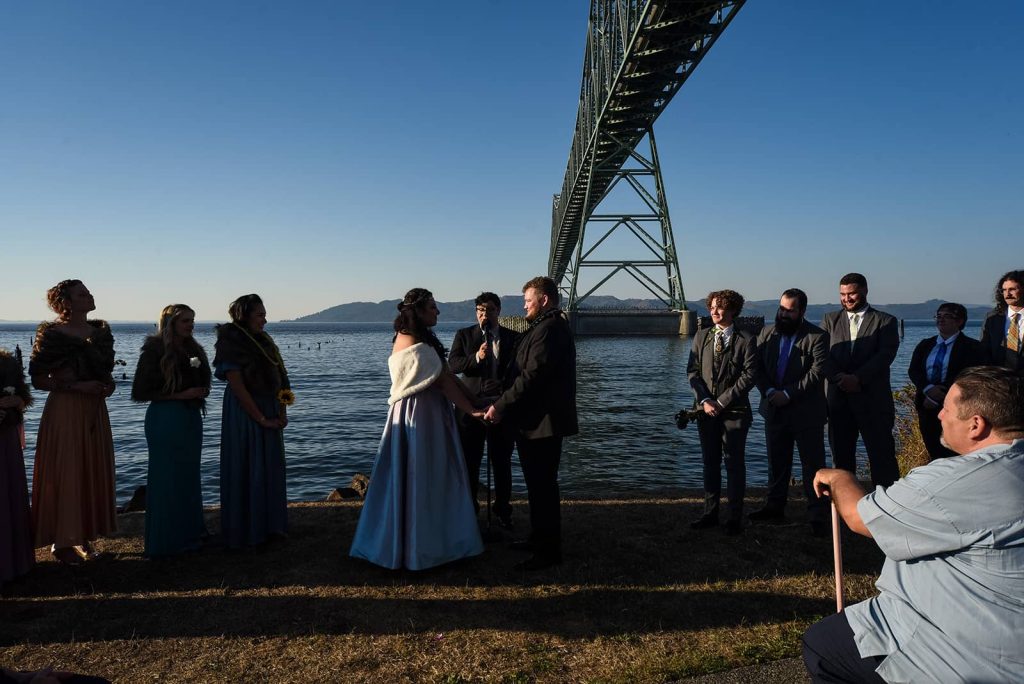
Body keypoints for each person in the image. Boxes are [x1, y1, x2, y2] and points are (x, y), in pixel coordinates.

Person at [803, 366, 1024, 683]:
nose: (939, 416)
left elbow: (859, 517)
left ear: (976, 425)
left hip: (974, 651)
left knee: (823, 646)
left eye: (947, 408)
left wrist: (840, 478)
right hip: (1004, 621)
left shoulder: (953, 482)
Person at [350, 288, 484, 570]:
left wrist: (476, 401)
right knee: (424, 474)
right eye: (433, 307)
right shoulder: (414, 343)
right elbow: (443, 382)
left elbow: (446, 375)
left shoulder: (418, 340)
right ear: (419, 311)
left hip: (425, 412)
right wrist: (472, 411)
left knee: (425, 475)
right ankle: (422, 547)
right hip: (420, 414)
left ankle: (431, 542)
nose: (438, 311)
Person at [484, 276, 577, 570]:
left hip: (543, 423)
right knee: (537, 486)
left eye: (527, 300)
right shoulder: (544, 327)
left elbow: (532, 377)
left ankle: (548, 553)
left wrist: (499, 406)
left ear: (544, 300)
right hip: (532, 422)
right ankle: (539, 538)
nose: (524, 306)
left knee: (543, 487)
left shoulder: (550, 330)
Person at [29, 280, 116, 566]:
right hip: (65, 411)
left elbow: (106, 374)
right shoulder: (52, 335)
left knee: (90, 468)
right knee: (67, 470)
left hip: (95, 409)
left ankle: (85, 537)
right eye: (82, 293)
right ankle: (61, 542)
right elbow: (39, 380)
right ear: (65, 302)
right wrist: (77, 387)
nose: (89, 295)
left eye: (89, 291)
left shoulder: (101, 333)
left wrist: (107, 386)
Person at [131, 304, 212, 557]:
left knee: (188, 475)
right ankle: (166, 540)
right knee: (167, 477)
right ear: (169, 322)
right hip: (165, 419)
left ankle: (190, 532)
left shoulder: (193, 348)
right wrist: (180, 394)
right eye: (185, 321)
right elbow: (140, 391)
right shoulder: (154, 349)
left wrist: (200, 390)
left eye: (192, 320)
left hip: (190, 418)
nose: (190, 325)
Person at [749, 289, 830, 536]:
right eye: (781, 309)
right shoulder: (766, 333)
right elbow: (757, 368)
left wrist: (788, 394)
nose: (783, 314)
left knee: (812, 466)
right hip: (774, 410)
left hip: (806, 413)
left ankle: (817, 514)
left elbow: (817, 373)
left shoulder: (817, 336)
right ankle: (774, 507)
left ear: (802, 311)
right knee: (777, 463)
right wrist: (770, 391)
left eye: (790, 310)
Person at [213, 294, 291, 548]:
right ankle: (248, 528)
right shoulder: (232, 342)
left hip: (269, 407)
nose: (265, 320)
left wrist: (282, 409)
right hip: (246, 412)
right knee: (248, 465)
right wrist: (260, 418)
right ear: (244, 316)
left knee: (270, 466)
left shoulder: (263, 340)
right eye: (260, 315)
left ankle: (272, 525)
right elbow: (238, 387)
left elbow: (279, 375)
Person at [685, 289, 757, 535]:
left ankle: (734, 517)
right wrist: (705, 400)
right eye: (712, 307)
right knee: (710, 463)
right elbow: (693, 372)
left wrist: (722, 401)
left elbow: (750, 376)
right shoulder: (702, 336)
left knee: (734, 464)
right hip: (706, 412)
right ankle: (710, 513)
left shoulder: (746, 338)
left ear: (733, 310)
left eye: (720, 307)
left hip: (735, 412)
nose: (714, 312)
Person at [820, 273, 900, 488]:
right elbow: (822, 356)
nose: (847, 299)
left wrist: (858, 378)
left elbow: (885, 356)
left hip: (873, 401)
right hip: (838, 401)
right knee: (842, 458)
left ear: (864, 291)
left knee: (882, 455)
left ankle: (887, 505)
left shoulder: (885, 321)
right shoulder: (830, 320)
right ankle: (845, 509)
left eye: (852, 293)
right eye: (843, 294)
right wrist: (839, 378)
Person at [448, 292, 519, 529]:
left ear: (498, 311)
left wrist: (503, 387)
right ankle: (470, 510)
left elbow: (520, 372)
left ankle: (502, 510)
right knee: (470, 462)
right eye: (479, 310)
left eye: (488, 309)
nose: (483, 314)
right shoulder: (465, 335)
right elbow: (453, 365)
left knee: (502, 461)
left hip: (501, 408)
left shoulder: (514, 338)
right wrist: (476, 358)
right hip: (471, 409)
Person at [907, 302, 983, 460]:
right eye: (938, 316)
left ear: (960, 321)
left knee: (955, 454)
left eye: (947, 316)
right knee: (933, 451)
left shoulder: (973, 347)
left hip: (957, 406)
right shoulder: (925, 345)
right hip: (926, 406)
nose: (941, 320)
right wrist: (928, 390)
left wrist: (941, 393)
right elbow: (914, 370)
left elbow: (968, 374)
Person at [1, 347, 33, 586]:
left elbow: (25, 398)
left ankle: (15, 563)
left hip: (6, 438)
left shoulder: (8, 364)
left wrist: (18, 401)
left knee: (9, 494)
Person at [980, 269, 1024, 376]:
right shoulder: (992, 318)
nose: (1007, 294)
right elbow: (983, 350)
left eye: (1012, 289)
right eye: (1004, 290)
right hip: (999, 381)